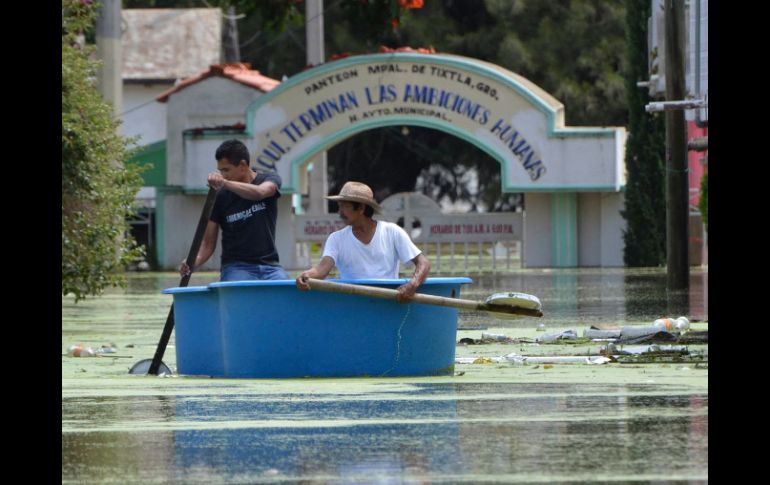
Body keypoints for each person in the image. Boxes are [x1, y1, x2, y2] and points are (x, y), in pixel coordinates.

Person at [295, 181, 430, 302]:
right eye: (339, 206)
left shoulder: (392, 232)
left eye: (344, 206)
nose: (339, 212)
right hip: (353, 304)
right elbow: (322, 270)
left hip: (387, 303)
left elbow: (423, 263)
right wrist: (307, 275)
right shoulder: (336, 238)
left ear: (361, 208)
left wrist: (413, 285)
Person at [180, 139, 289, 281]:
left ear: (243, 165)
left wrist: (224, 183)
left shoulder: (269, 179)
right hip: (236, 267)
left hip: (270, 267)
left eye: (226, 170)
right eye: (221, 171)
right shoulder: (220, 196)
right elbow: (207, 245)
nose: (223, 175)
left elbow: (259, 193)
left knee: (287, 287)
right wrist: (194, 261)